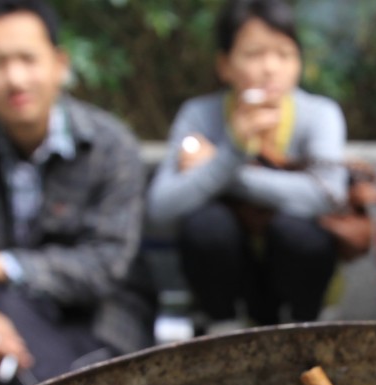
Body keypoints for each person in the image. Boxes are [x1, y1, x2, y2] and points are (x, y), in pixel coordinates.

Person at [0, 0, 156, 385]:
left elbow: (104, 264)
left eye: (27, 59)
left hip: (101, 320)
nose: (15, 79)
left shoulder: (108, 145)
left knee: (25, 376)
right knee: (4, 331)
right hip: (6, 322)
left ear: (59, 63)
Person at [146, 0, 347, 333]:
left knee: (296, 232)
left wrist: (222, 166)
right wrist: (235, 148)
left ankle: (306, 331)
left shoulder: (319, 114)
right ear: (225, 65)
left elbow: (328, 194)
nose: (271, 68)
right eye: (254, 54)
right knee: (206, 225)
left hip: (297, 277)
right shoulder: (199, 115)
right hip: (229, 282)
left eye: (284, 54)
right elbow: (161, 206)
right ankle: (223, 328)